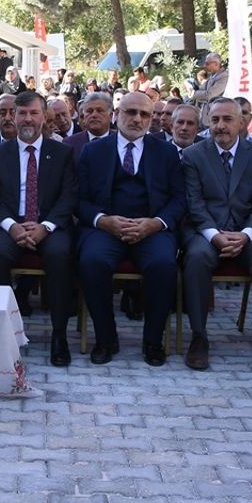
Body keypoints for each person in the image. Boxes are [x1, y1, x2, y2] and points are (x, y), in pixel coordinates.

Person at [76, 92, 184, 367]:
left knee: (163, 264)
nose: (137, 119)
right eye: (130, 112)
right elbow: (79, 200)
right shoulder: (93, 151)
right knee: (92, 261)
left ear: (152, 119)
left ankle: (153, 341)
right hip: (106, 228)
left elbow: (179, 199)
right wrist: (103, 220)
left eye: (144, 114)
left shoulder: (166, 152)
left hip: (151, 228)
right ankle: (106, 339)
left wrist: (155, 223)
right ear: (116, 115)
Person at [180, 97, 252, 374]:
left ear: (242, 123)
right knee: (196, 257)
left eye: (227, 119)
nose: (220, 126)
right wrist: (214, 235)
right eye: (215, 120)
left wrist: (247, 234)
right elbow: (194, 202)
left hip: (248, 232)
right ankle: (199, 337)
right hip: (206, 232)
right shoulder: (193, 155)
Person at [0, 91, 78, 366]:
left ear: (44, 116)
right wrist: (12, 227)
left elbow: (69, 197)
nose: (27, 119)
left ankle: (59, 334)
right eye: (22, 113)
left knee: (60, 255)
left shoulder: (62, 153)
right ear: (13, 116)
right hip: (10, 225)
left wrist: (45, 227)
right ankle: (2, 335)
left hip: (49, 226)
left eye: (34, 113)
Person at [63, 92, 114, 160]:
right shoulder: (69, 144)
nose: (94, 115)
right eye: (89, 111)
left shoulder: (121, 141)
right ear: (84, 117)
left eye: (100, 111)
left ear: (110, 116)